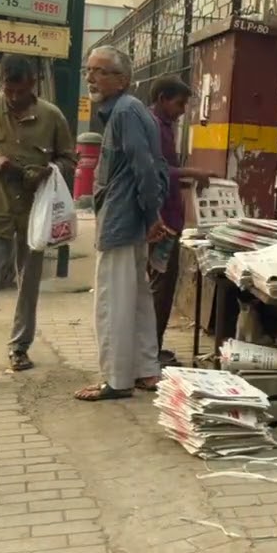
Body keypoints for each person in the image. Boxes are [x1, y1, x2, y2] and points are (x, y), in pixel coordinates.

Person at [0, 54, 76, 378]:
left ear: (32, 84)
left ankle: (19, 348)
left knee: (28, 283)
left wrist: (47, 172)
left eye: (20, 91)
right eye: (9, 90)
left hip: (35, 214)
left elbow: (69, 160)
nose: (14, 98)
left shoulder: (52, 117)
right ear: (2, 83)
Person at [73, 45, 168, 402]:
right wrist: (151, 215)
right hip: (132, 218)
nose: (90, 78)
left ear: (122, 80)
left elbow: (144, 167)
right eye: (89, 70)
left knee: (113, 301)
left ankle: (116, 379)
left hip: (121, 220)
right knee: (138, 298)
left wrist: (151, 215)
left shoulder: (126, 112)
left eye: (100, 71)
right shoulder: (131, 110)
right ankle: (146, 370)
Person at [146, 76, 213, 367]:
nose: (183, 110)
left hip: (169, 217)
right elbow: (155, 169)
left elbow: (163, 174)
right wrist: (192, 173)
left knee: (161, 288)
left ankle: (151, 348)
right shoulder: (153, 127)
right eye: (180, 103)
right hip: (162, 223)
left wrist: (185, 183)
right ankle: (150, 352)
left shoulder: (165, 127)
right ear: (162, 98)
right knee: (160, 289)